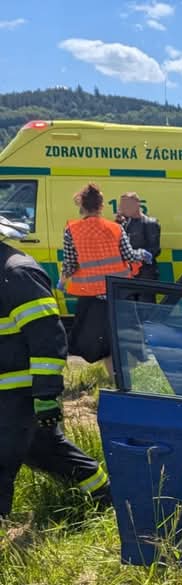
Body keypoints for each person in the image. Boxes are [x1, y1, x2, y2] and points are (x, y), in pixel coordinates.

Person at [1, 215, 109, 521]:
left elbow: (47, 340)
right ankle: (105, 496)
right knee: (46, 451)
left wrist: (46, 395)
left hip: (19, 393)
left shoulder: (17, 273)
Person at [63, 183, 145, 380]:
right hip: (117, 293)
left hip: (91, 297)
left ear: (81, 206)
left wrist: (63, 277)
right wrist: (142, 254)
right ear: (101, 206)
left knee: (102, 343)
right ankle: (126, 382)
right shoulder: (115, 228)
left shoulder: (72, 231)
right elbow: (129, 256)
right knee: (123, 340)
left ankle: (115, 381)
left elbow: (70, 265)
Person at [116, 192, 161, 286]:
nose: (122, 208)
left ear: (137, 205)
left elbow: (154, 250)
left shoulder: (150, 223)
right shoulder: (124, 224)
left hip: (145, 274)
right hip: (127, 273)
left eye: (126, 205)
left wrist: (135, 259)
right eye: (121, 205)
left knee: (145, 300)